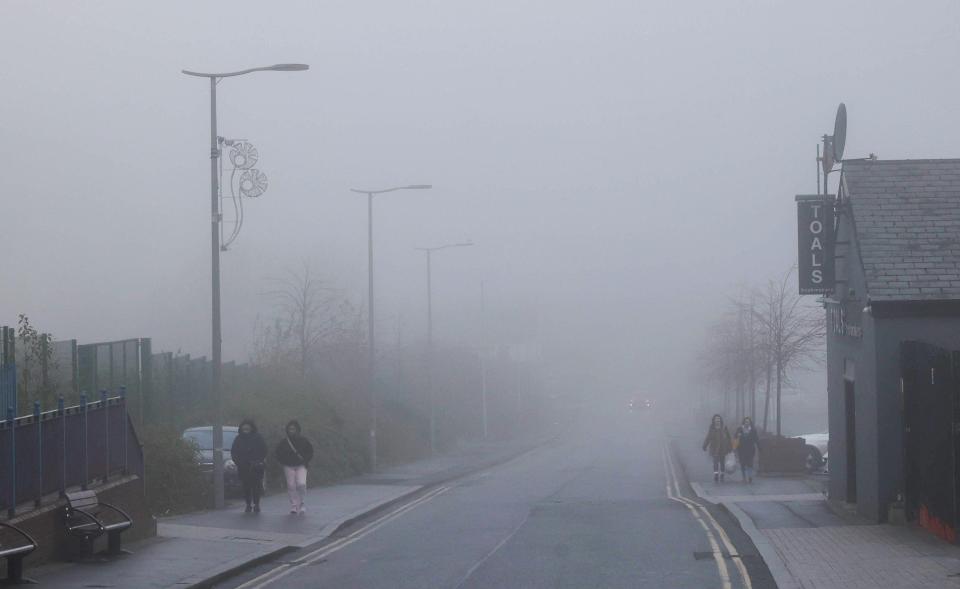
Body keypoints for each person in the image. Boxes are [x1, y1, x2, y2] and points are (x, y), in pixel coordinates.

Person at [274, 420, 314, 514]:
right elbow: (278, 453)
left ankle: (302, 503)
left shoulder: (304, 440)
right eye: (290, 429)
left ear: (297, 430)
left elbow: (310, 451)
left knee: (301, 484)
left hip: (301, 465)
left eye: (293, 429)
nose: (291, 431)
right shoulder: (284, 442)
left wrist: (305, 460)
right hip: (288, 466)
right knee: (291, 485)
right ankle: (294, 505)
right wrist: (283, 462)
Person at [231, 419, 268, 513]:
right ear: (241, 428)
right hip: (243, 467)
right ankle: (248, 504)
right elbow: (234, 452)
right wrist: (239, 462)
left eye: (248, 426)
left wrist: (259, 461)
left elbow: (264, 450)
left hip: (256, 467)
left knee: (256, 486)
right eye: (244, 426)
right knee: (246, 487)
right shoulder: (238, 438)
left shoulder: (258, 438)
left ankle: (256, 504)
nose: (246, 428)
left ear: (251, 427)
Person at [702, 414, 731, 483]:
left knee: (722, 463)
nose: (717, 420)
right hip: (714, 448)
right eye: (716, 419)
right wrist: (705, 445)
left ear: (720, 420)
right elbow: (708, 437)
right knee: (715, 462)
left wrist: (730, 447)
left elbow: (729, 437)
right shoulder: (712, 428)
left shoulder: (724, 427)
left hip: (723, 448)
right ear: (714, 420)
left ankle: (722, 474)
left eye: (718, 419)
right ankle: (716, 475)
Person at [734, 417, 761, 484]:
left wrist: (759, 447)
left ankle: (750, 477)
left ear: (750, 423)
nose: (747, 423)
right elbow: (735, 438)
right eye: (746, 421)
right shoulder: (740, 429)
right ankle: (744, 478)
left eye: (748, 422)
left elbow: (756, 439)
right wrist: (737, 436)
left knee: (750, 464)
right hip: (741, 450)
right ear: (744, 422)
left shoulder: (753, 430)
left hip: (750, 450)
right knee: (742, 464)